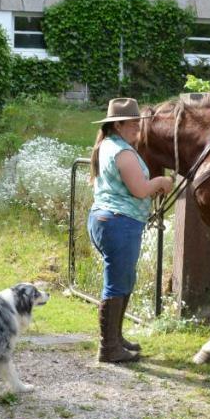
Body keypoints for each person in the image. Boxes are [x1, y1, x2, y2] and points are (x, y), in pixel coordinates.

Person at [87, 97, 173, 364]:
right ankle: (109, 347)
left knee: (123, 279)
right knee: (116, 283)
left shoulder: (108, 146)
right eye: (134, 123)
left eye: (139, 122)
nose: (138, 127)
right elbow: (139, 190)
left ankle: (116, 339)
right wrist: (161, 181)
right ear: (119, 124)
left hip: (108, 221)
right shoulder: (122, 152)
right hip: (118, 223)